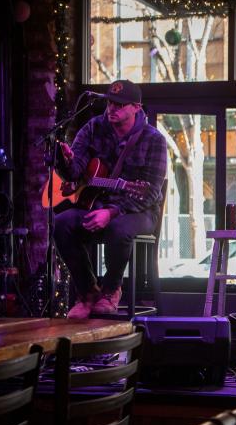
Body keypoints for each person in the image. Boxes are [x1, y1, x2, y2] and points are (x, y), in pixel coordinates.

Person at [53, 79, 167, 317]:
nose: (112, 109)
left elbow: (151, 191)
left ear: (136, 107)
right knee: (62, 223)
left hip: (139, 210)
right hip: (94, 203)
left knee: (119, 228)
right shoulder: (94, 127)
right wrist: (65, 161)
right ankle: (88, 293)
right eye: (110, 103)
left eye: (119, 105)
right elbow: (75, 174)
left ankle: (111, 290)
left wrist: (112, 211)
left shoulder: (153, 139)